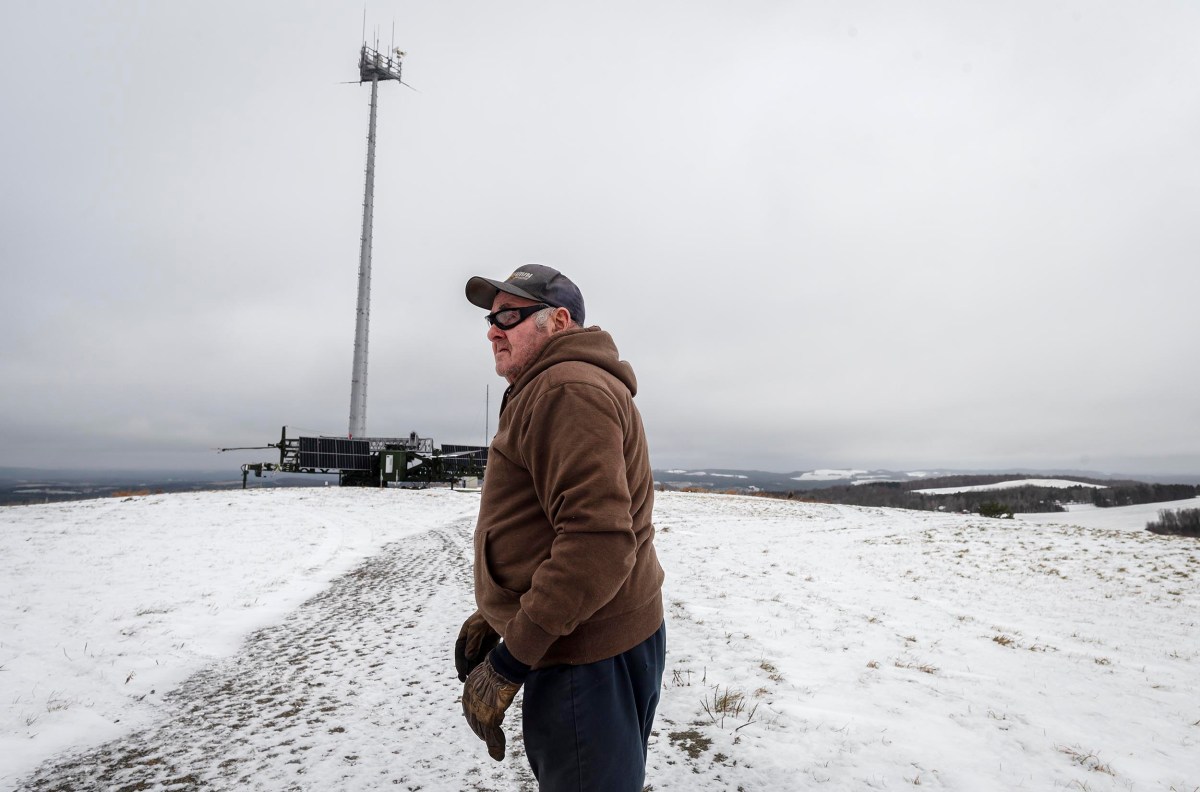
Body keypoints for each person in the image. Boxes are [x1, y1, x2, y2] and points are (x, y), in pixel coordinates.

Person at [456, 264, 666, 791]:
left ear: (559, 321)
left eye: (509, 314)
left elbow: (597, 543)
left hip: (583, 657)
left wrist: (511, 658)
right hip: (594, 644)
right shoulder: (559, 384)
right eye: (491, 316)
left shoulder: (564, 389)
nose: (492, 329)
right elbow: (548, 524)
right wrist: (496, 611)